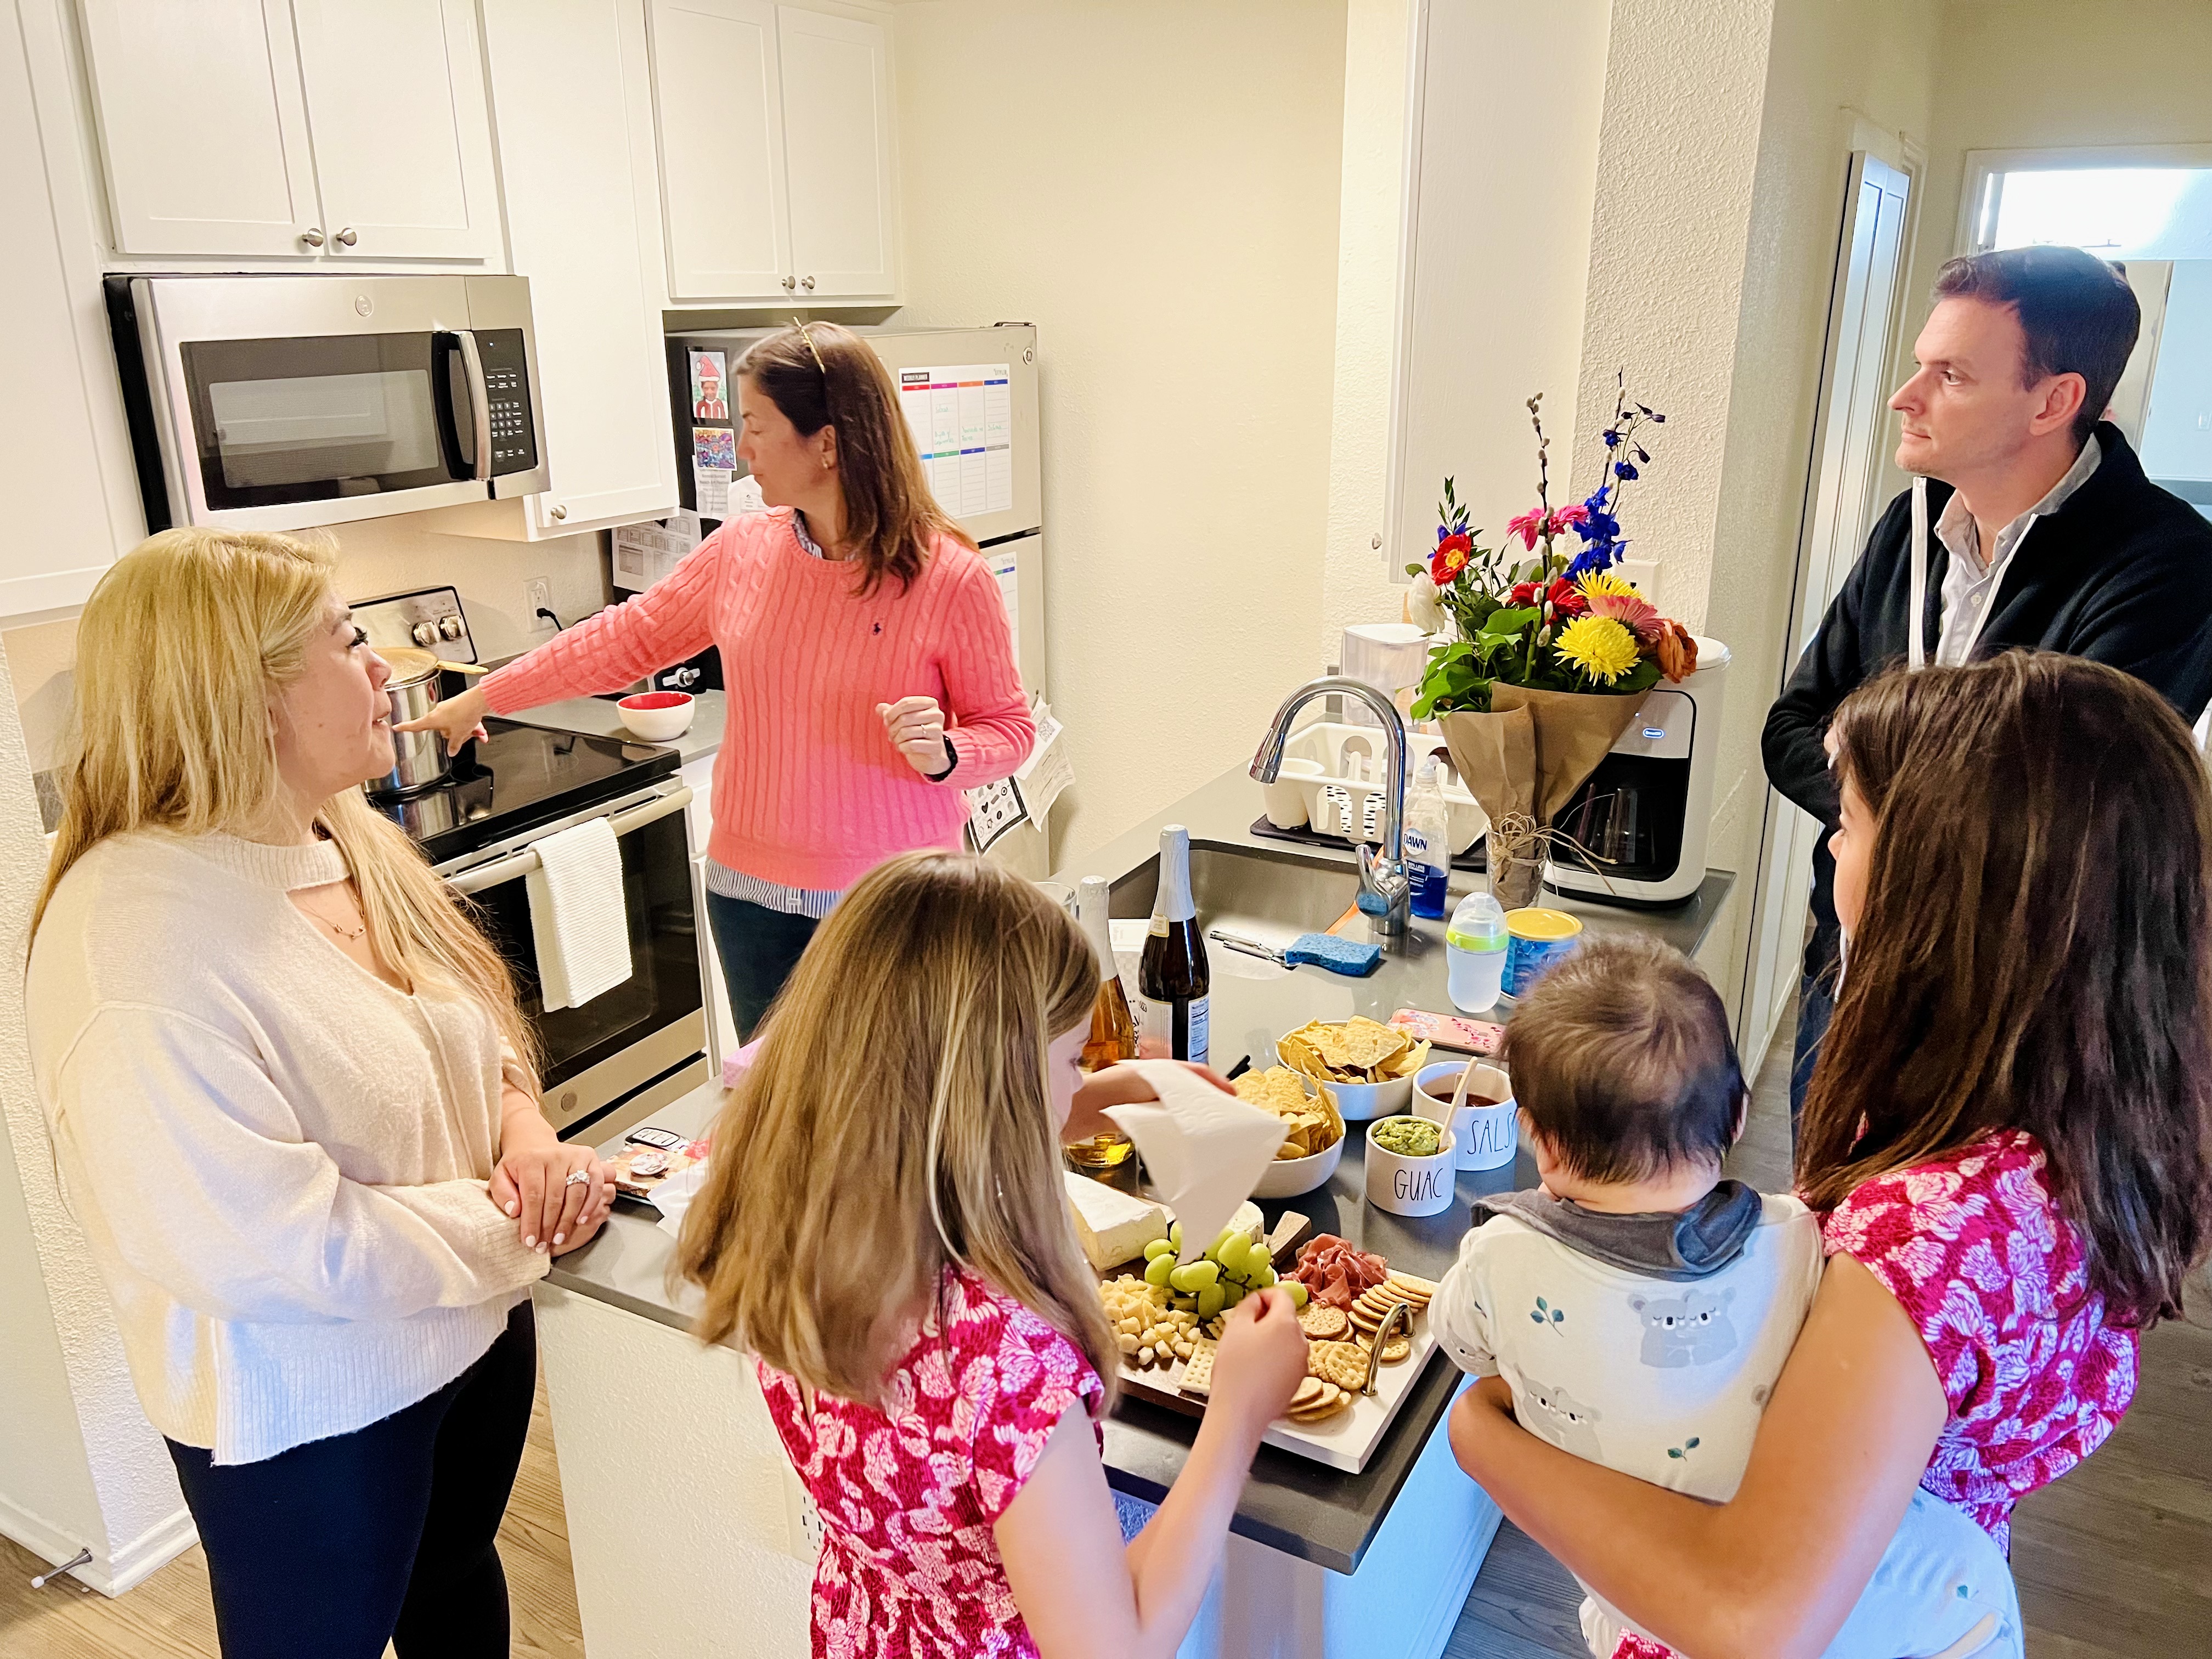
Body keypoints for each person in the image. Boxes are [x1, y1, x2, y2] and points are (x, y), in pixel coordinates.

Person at [1451, 652, 2212, 1659]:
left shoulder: (1929, 1240)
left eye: (1847, 823)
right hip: (1929, 1600)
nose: (1832, 848)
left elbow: (1749, 1615)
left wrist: (1482, 1439)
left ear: (1939, 879)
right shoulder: (2071, 1131)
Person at [25, 529, 613, 1659]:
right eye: (349, 642)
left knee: (455, 1584)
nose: (387, 666)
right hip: (316, 1412)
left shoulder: (333, 833)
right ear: (246, 702)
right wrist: (523, 1225)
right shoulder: (135, 953)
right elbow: (276, 1246)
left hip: (470, 1334)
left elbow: (463, 1021)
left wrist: (526, 1131)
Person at [675, 852, 1310, 1659]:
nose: (1080, 1077)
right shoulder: (1008, 1366)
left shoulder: (789, 1219)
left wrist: (1099, 1098)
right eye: (1074, 1058)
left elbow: (928, 1098)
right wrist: (1238, 1415)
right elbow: (1115, 1646)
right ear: (998, 1086)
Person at [403, 321, 1033, 1041]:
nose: (742, 448)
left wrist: (949, 755)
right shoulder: (741, 549)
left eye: (757, 426)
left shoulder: (949, 577)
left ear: (825, 443)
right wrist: (484, 697)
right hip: (750, 900)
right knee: (780, 1127)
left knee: (897, 1124)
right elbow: (627, 638)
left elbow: (1011, 730)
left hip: (894, 905)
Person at [1432, 936, 2019, 1659]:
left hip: (1635, 1592)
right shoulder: (1801, 1241)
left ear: (1540, 1143)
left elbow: (1460, 1342)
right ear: (1737, 1117)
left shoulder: (1499, 1257)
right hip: (1767, 1582)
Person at [1763, 245, 2212, 1123]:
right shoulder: (1913, 524)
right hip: (1849, 966)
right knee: (1829, 1207)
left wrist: (1870, 783)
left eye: (1952, 375)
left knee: (1938, 1248)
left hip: (2009, 1014)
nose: (1906, 396)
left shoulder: (2169, 568)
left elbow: (2054, 814)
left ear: (2054, 401)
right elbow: (1793, 724)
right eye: (1920, 365)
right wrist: (1927, 792)